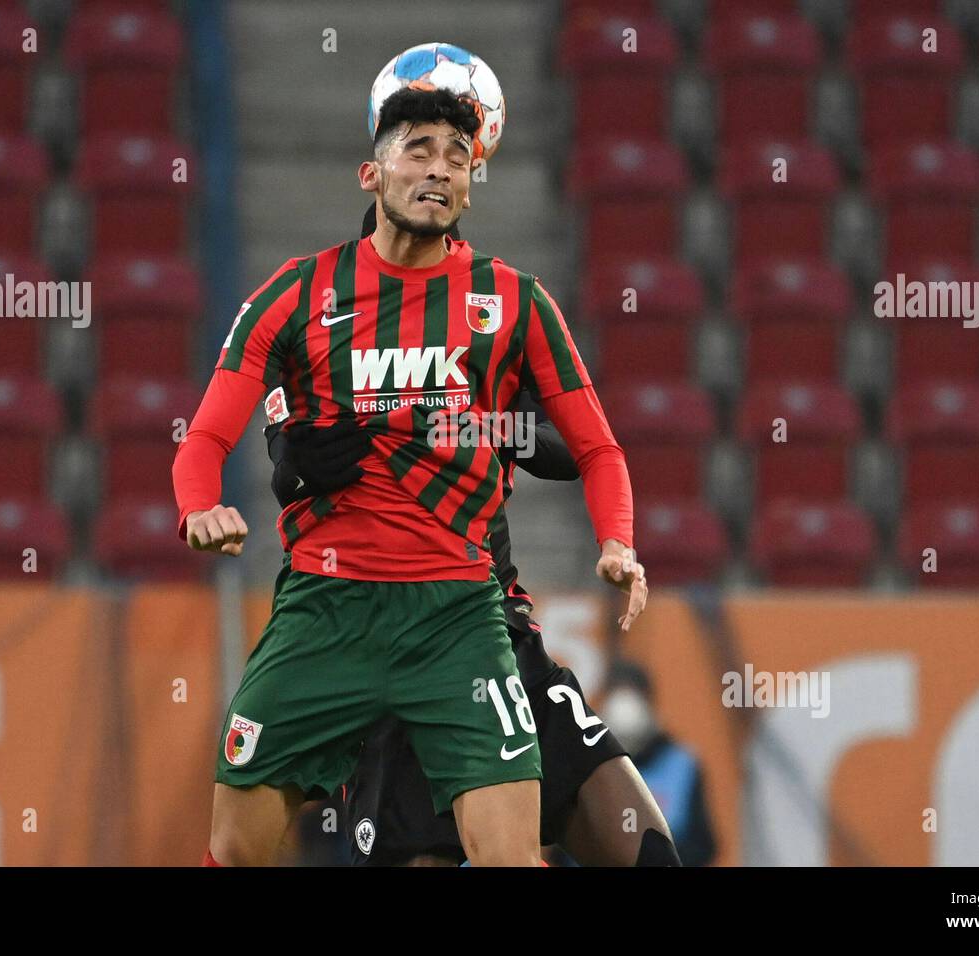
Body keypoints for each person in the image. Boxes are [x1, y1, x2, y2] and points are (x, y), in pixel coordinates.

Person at [173, 86, 646, 866]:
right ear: (372, 173)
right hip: (325, 610)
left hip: (459, 618)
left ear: (470, 184)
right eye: (418, 150)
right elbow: (205, 437)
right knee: (234, 849)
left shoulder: (515, 301)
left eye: (457, 159)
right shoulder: (294, 295)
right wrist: (200, 507)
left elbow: (596, 449)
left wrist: (618, 542)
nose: (439, 170)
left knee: (510, 857)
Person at [264, 209, 678, 866]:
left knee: (646, 850)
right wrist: (310, 461)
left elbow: (574, 448)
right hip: (381, 650)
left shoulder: (485, 341)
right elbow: (285, 471)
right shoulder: (312, 338)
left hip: (496, 635)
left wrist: (479, 430)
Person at [600, 663, 719, 866]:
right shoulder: (588, 766)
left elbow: (702, 846)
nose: (624, 707)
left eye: (632, 694)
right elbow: (564, 849)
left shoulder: (682, 765)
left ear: (648, 702)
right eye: (617, 693)